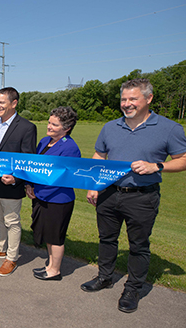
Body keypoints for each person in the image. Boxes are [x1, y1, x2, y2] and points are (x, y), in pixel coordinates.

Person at [81, 78, 186, 313]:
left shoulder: (169, 128)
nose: (127, 104)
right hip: (109, 193)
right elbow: (99, 156)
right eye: (123, 99)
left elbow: (183, 160)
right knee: (106, 239)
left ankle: (133, 288)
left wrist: (156, 166)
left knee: (138, 245)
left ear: (148, 99)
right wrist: (94, 185)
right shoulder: (110, 127)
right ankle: (104, 277)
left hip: (142, 197)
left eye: (133, 99)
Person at [0, 87, 37, 276]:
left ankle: (11, 258)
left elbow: (29, 159)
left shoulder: (27, 127)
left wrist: (17, 177)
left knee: (11, 221)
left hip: (11, 184)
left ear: (14, 103)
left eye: (1, 102)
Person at [25, 107, 81, 281]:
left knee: (56, 236)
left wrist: (40, 190)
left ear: (67, 128)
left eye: (54, 125)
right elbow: (33, 166)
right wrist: (30, 185)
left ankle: (55, 270)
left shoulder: (70, 148)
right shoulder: (44, 141)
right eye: (49, 122)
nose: (49, 126)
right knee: (48, 234)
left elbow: (64, 177)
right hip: (41, 196)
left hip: (58, 199)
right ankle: (49, 265)